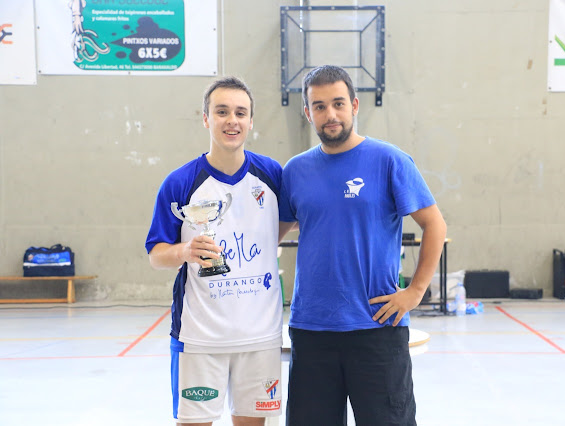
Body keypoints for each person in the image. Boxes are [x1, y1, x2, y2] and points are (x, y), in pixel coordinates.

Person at [278, 65, 448, 426]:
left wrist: (415, 291)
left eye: (338, 103)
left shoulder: (389, 160)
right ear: (308, 113)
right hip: (312, 330)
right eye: (320, 106)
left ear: (354, 105)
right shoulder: (295, 171)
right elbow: (269, 237)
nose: (331, 114)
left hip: (377, 328)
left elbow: (434, 225)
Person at [146, 77, 285, 426]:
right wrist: (185, 251)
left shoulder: (272, 176)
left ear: (251, 120)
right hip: (200, 338)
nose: (231, 120)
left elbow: (292, 222)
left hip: (261, 337)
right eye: (221, 111)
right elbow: (156, 254)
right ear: (206, 118)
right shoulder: (179, 183)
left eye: (241, 112)